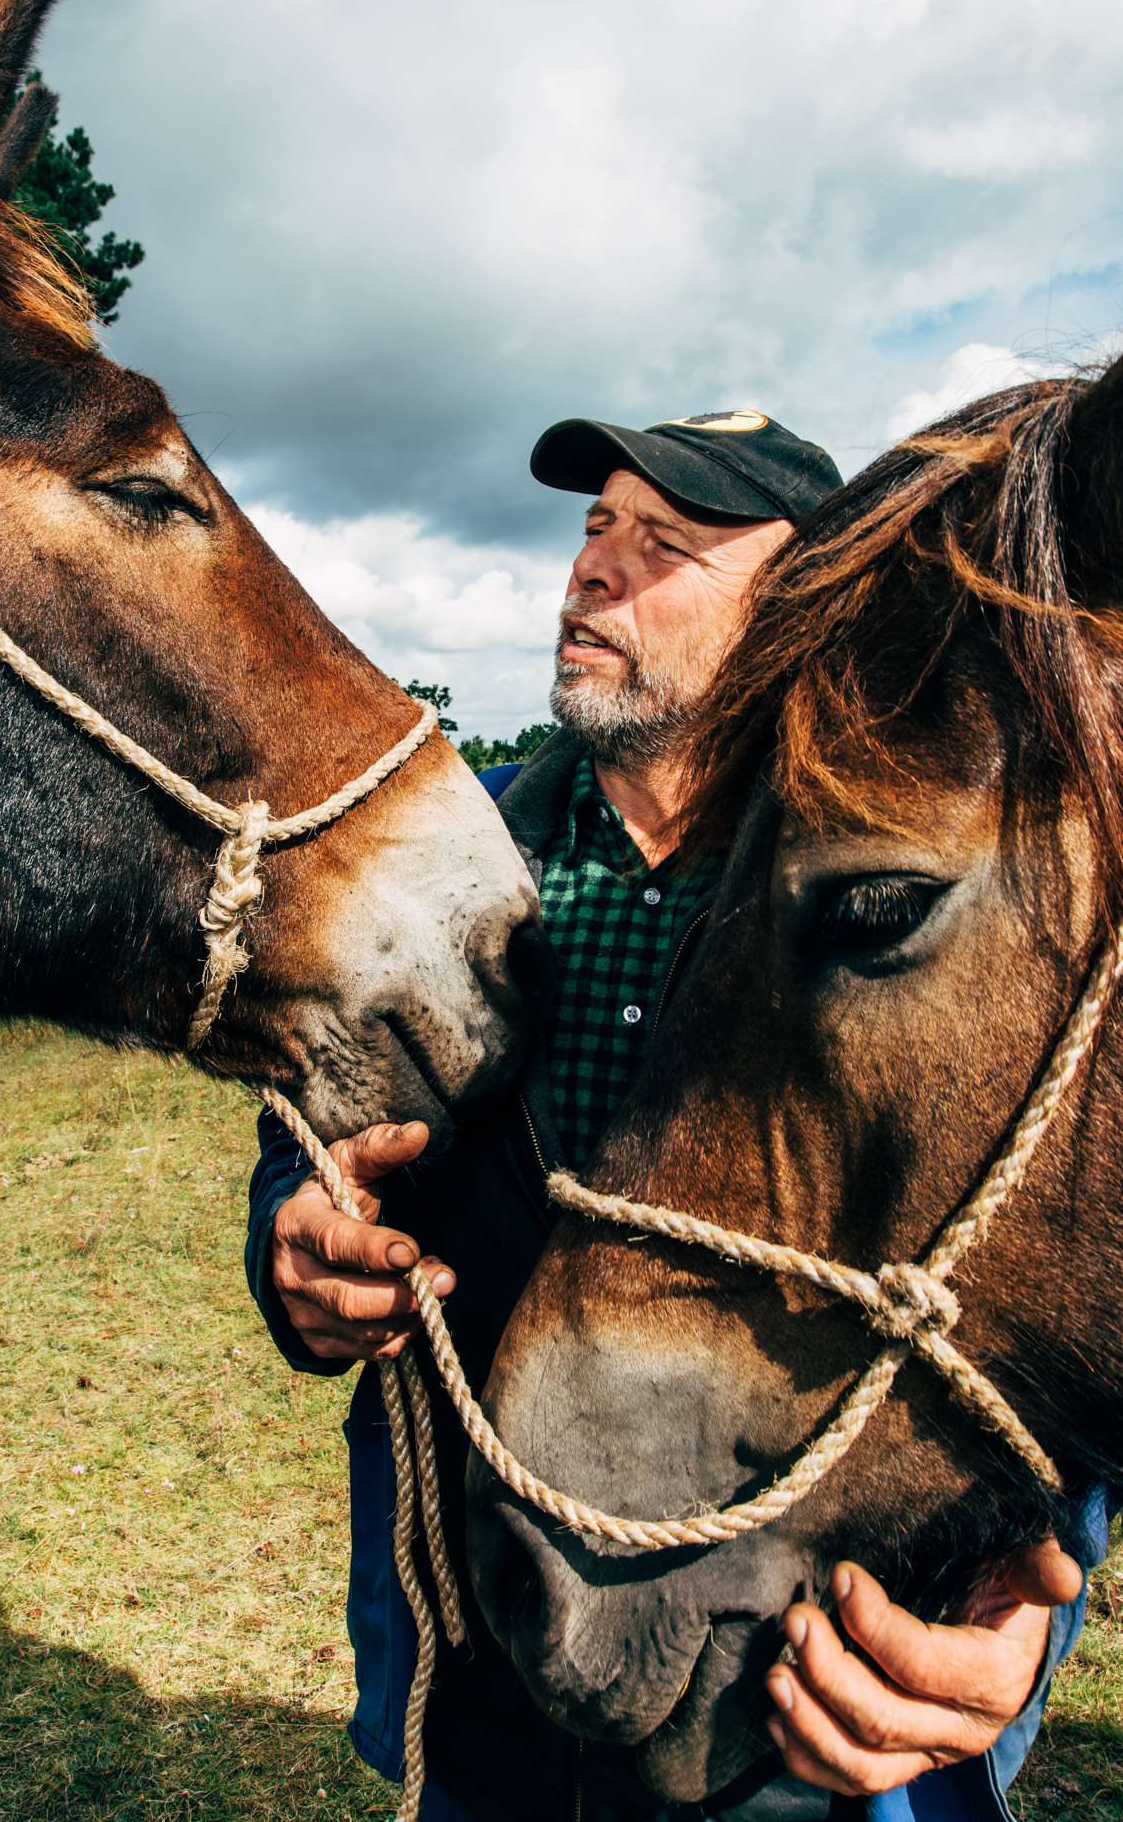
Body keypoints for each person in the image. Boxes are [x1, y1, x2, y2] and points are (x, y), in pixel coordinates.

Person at [245, 409, 1106, 1822]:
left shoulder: (910, 901)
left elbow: (1027, 1243)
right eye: (595, 531)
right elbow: (308, 1138)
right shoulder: (447, 876)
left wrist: (1021, 1600)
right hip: (491, 1636)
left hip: (789, 1692)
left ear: (798, 608)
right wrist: (293, 1247)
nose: (595, 570)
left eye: (670, 545)